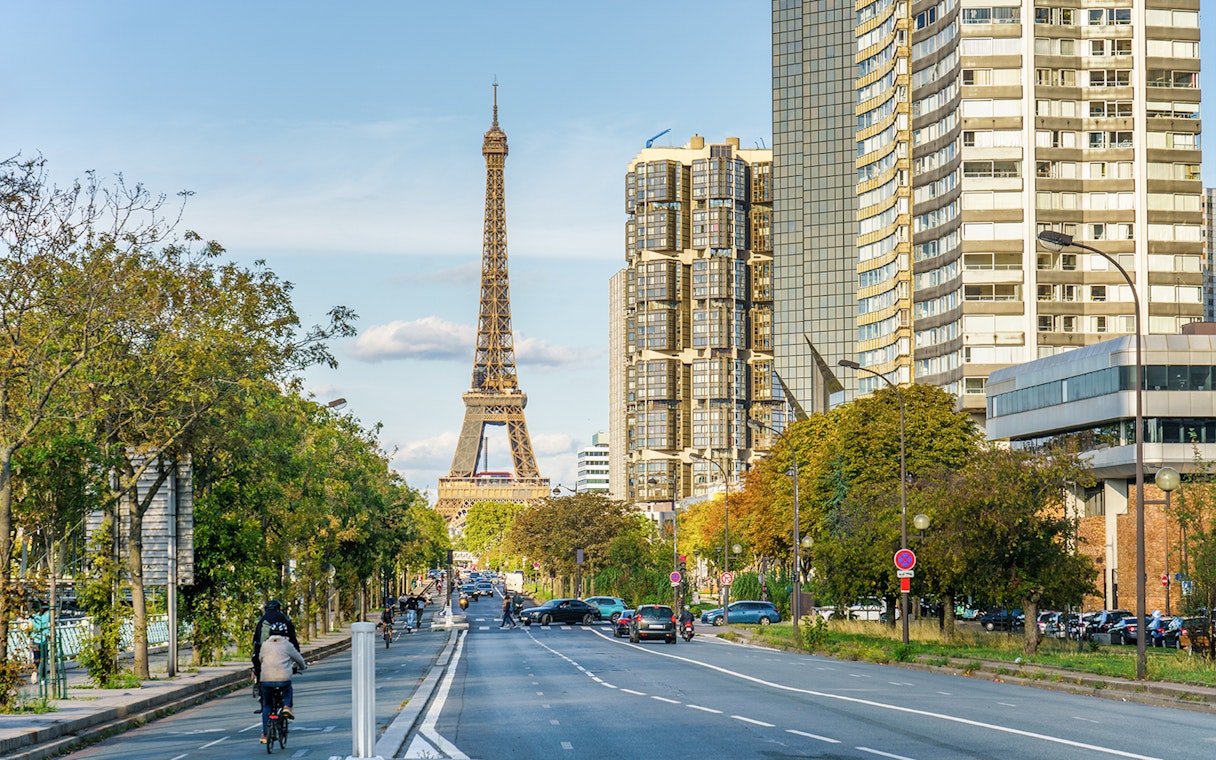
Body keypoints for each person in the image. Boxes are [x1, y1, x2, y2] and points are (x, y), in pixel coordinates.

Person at [258, 632, 306, 744]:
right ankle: (287, 707)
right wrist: (302, 667)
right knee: (288, 689)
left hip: (266, 680)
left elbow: (261, 658)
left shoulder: (265, 645)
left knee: (267, 706)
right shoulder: (287, 644)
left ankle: (265, 734)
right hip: (283, 680)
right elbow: (298, 658)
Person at [252, 600, 299, 694]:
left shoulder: (262, 620)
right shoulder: (284, 619)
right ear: (278, 609)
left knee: (257, 662)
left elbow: (256, 638)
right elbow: (292, 637)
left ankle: (258, 682)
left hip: (263, 648)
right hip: (282, 648)